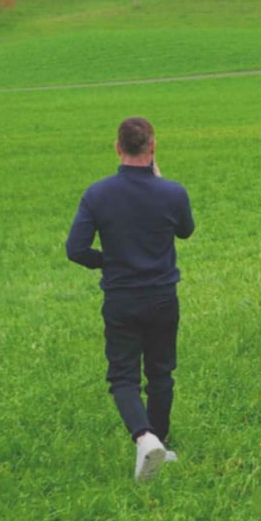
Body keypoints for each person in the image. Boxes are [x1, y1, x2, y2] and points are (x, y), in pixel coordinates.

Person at [66, 116, 196, 482]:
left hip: (122, 297)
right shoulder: (172, 192)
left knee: (123, 376)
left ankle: (144, 437)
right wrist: (160, 181)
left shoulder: (97, 194)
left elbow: (75, 249)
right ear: (153, 147)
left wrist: (107, 260)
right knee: (161, 372)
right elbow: (186, 230)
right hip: (162, 296)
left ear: (117, 147)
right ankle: (160, 443)